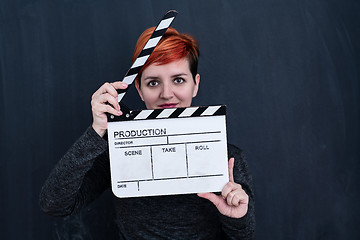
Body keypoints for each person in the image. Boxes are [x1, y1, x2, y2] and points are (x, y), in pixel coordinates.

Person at [40, 26, 256, 239]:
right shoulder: (119, 152)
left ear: (195, 84)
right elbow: (54, 204)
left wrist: (237, 218)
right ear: (139, 89)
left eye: (178, 80)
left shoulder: (229, 158)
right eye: (153, 83)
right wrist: (96, 132)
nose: (167, 94)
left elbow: (244, 236)